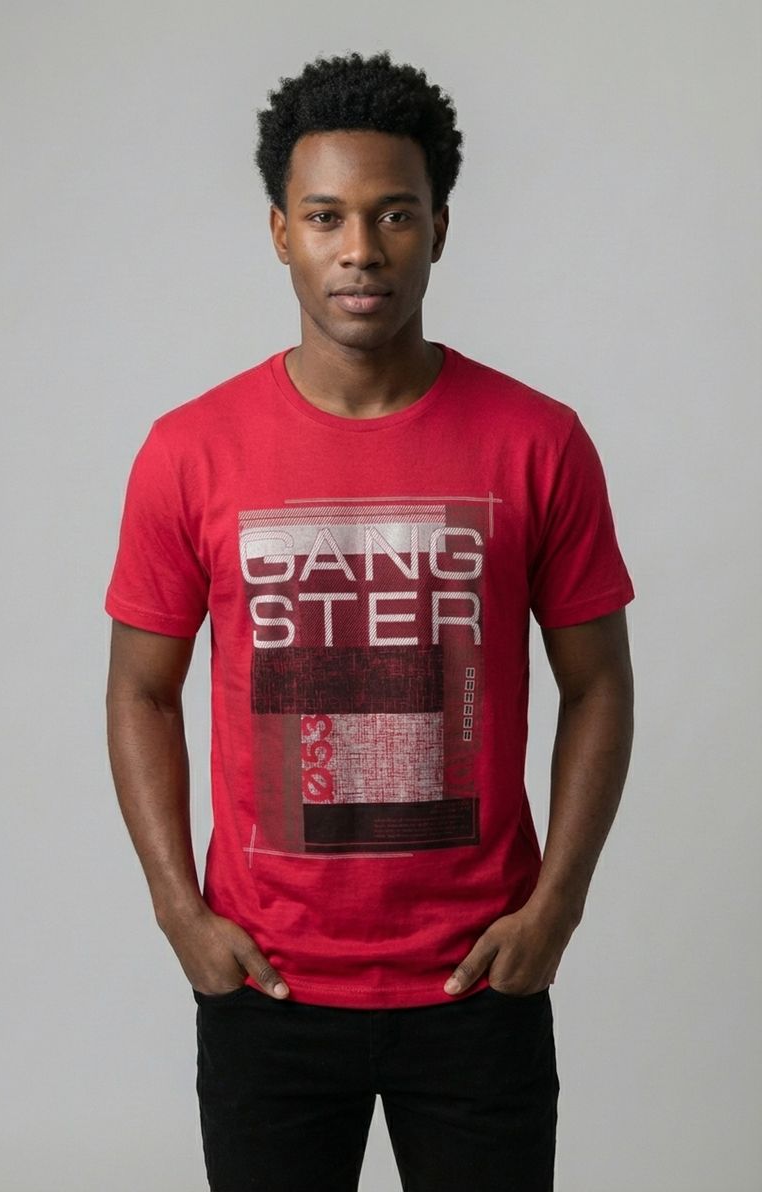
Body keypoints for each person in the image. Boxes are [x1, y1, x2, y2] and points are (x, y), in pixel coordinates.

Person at [105, 50, 634, 1192]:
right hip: (267, 987)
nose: (361, 248)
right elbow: (141, 688)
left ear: (439, 228)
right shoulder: (189, 451)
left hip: (478, 984)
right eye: (326, 216)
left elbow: (598, 682)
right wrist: (177, 911)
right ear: (279, 232)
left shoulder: (537, 442)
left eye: (394, 213)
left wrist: (557, 907)